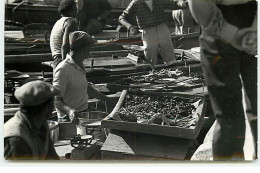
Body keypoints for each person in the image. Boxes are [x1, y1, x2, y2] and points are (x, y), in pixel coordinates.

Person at [188, 0, 257, 160]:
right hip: (219, 33)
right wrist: (234, 34)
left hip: (253, 24)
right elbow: (200, 6)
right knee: (229, 119)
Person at [53, 31, 118, 123]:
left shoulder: (79, 65)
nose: (90, 50)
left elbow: (86, 87)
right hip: (68, 119)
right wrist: (70, 111)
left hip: (84, 112)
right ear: (83, 49)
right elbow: (55, 99)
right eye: (89, 48)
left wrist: (106, 99)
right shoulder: (63, 69)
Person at [119, 0, 188, 67]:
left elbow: (173, 3)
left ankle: (174, 72)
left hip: (162, 29)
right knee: (150, 58)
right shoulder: (136, 3)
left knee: (170, 57)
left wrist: (182, 3)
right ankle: (152, 73)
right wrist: (130, 27)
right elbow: (122, 17)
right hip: (148, 32)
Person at [4, 81, 60, 160]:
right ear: (46, 108)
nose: (53, 107)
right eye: (52, 103)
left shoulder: (41, 125)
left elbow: (52, 158)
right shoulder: (17, 139)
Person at [50, 0, 78, 69]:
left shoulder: (59, 21)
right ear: (72, 9)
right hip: (62, 58)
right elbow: (65, 45)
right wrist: (64, 65)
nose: (77, 11)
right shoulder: (71, 21)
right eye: (75, 8)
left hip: (56, 59)